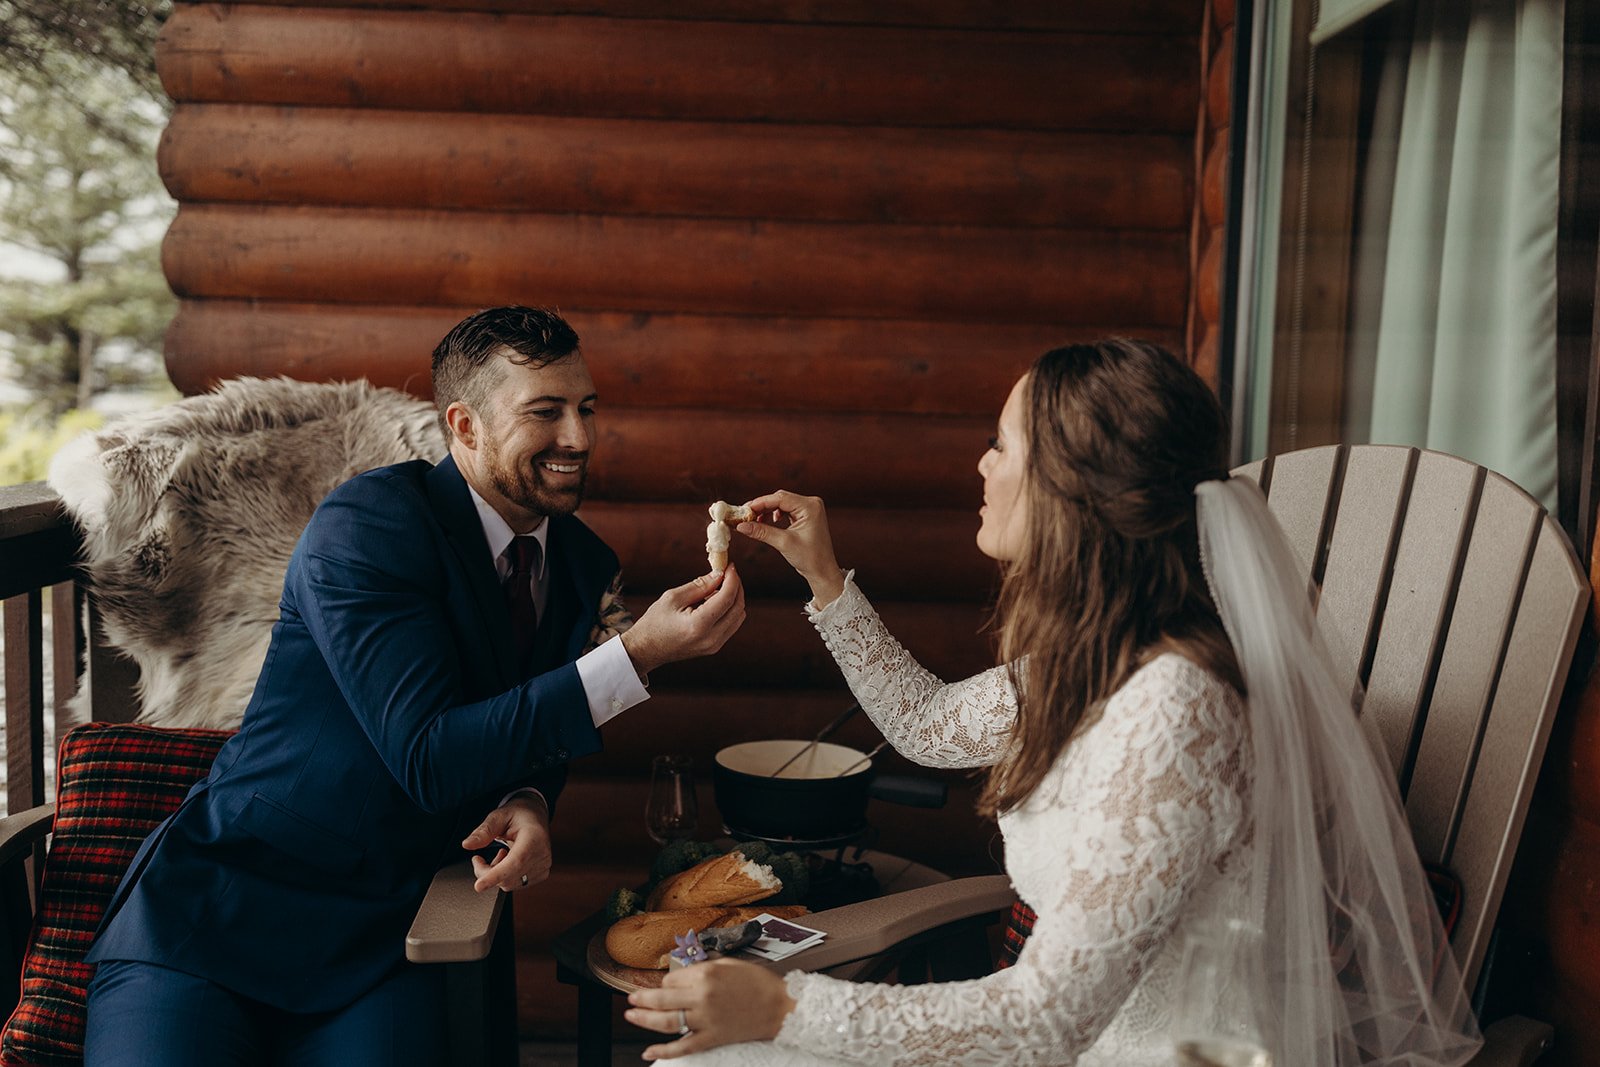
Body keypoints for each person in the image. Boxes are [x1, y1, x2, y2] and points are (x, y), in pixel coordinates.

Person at [623, 339, 1482, 1066]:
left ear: (1073, 491)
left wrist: (784, 1008)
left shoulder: (1178, 708)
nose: (982, 465)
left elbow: (1043, 1019)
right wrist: (822, 576)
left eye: (1002, 445)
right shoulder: (1083, 664)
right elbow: (926, 725)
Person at [81, 306, 746, 1065]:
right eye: (547, 412)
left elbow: (526, 721)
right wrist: (636, 657)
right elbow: (428, 753)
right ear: (464, 426)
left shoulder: (582, 562)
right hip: (221, 909)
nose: (580, 438)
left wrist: (528, 796)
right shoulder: (368, 524)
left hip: (388, 937)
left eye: (586, 408)